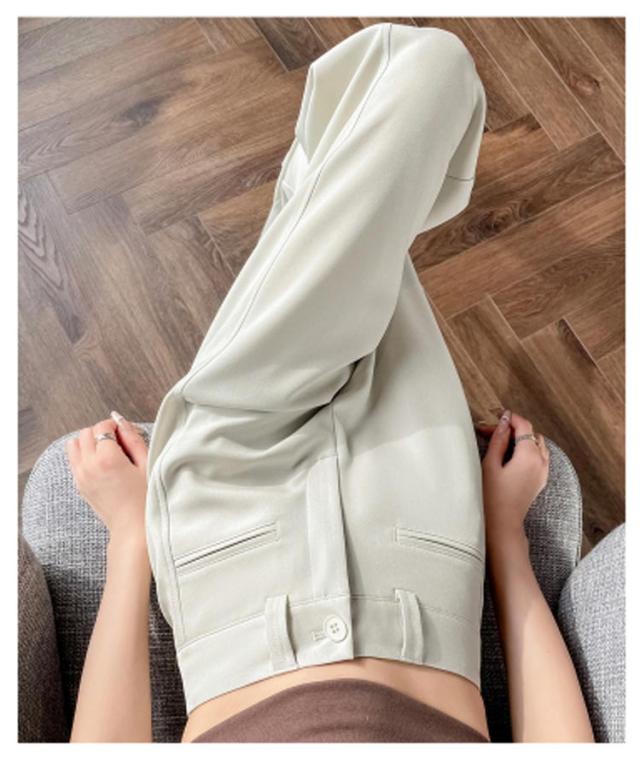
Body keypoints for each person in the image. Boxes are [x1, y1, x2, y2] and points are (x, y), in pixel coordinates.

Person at [64, 23, 594, 743]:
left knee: (422, 76)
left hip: (232, 534)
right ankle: (322, 171)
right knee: (422, 79)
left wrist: (131, 537)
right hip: (420, 537)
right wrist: (506, 536)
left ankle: (323, 172)